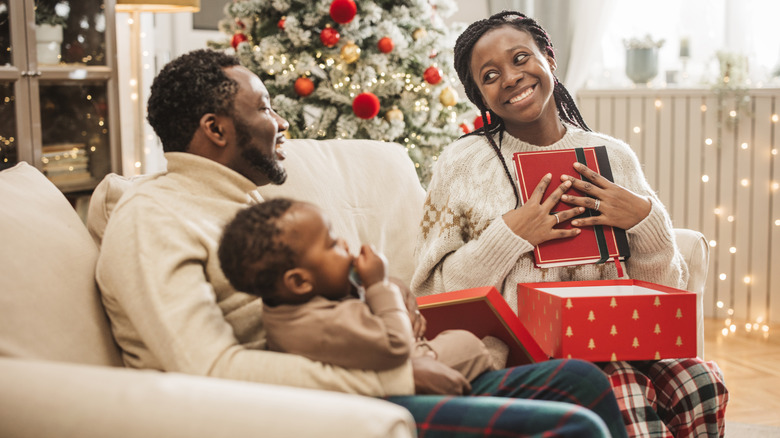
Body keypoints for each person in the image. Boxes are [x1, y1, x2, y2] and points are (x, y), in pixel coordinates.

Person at [96, 48, 628, 438]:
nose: (280, 124)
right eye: (263, 108)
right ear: (215, 129)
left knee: (578, 381)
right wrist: (394, 374)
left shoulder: (245, 205)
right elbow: (208, 370)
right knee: (573, 426)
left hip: (372, 377)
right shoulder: (154, 219)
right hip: (308, 415)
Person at [411, 11, 729, 438]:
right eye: (490, 75)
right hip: (520, 356)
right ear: (479, 95)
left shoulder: (613, 156)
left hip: (618, 338)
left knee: (702, 381)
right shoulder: (463, 164)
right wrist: (509, 236)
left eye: (521, 58)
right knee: (623, 388)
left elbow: (662, 290)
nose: (510, 77)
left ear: (549, 58)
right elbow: (432, 292)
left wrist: (645, 222)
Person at [218, 198, 504, 382]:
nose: (344, 244)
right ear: (299, 282)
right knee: (468, 344)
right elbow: (395, 344)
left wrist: (383, 286)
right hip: (414, 375)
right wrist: (378, 285)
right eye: (331, 244)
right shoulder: (318, 325)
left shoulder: (295, 302)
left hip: (408, 361)